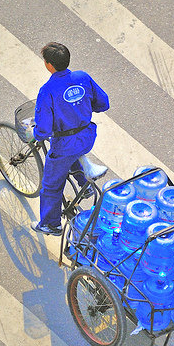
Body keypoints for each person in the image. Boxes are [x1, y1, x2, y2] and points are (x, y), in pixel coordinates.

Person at [31, 42, 109, 236]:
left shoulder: (47, 90)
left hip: (65, 145)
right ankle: (84, 186)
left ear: (49, 65)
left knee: (51, 186)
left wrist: (34, 134)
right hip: (87, 136)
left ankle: (51, 224)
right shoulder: (83, 77)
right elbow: (103, 103)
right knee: (73, 155)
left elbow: (43, 130)